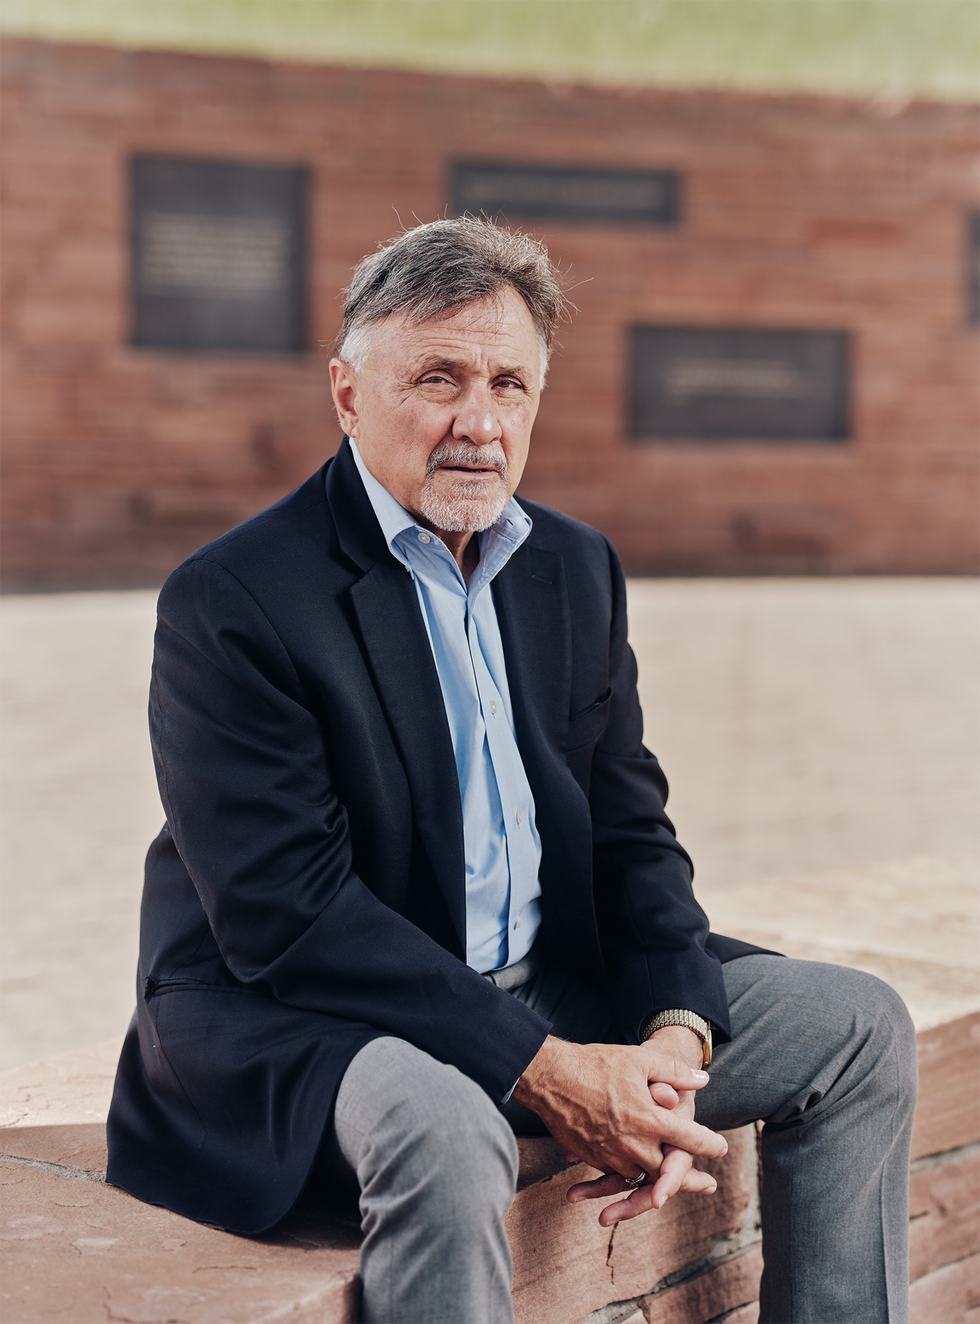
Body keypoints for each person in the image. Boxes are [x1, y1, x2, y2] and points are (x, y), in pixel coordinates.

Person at [107, 218, 917, 1324]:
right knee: (448, 1129)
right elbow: (285, 915)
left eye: (507, 383)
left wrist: (673, 1037)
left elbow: (629, 832)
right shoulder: (233, 601)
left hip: (542, 977)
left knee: (856, 1025)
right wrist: (545, 1069)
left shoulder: (572, 568)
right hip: (310, 1013)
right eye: (436, 378)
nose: (477, 423)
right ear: (347, 394)